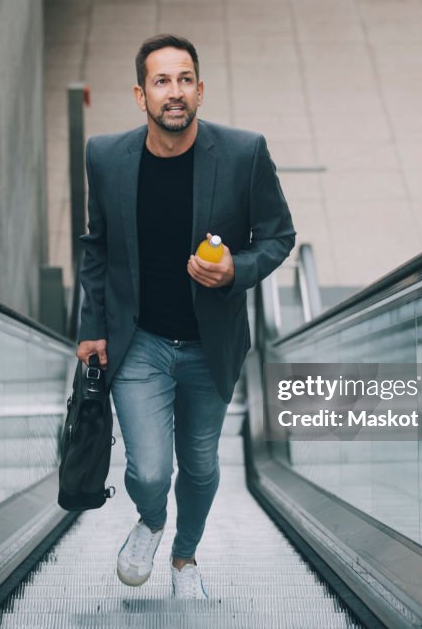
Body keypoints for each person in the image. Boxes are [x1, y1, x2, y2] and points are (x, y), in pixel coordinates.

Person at [75, 34, 295, 599]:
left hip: (209, 345)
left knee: (199, 467)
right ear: (140, 93)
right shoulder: (105, 156)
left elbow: (278, 236)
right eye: (162, 81)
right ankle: (151, 522)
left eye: (185, 80)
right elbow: (96, 247)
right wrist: (92, 328)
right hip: (139, 342)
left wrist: (236, 272)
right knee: (150, 472)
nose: (175, 92)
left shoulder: (244, 153)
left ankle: (184, 560)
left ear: (201, 90)